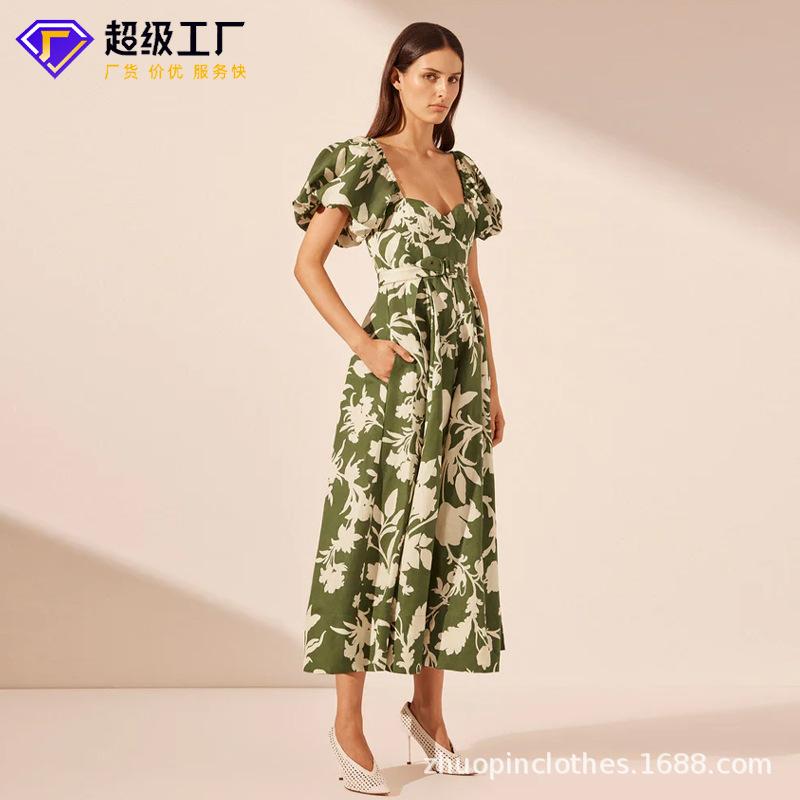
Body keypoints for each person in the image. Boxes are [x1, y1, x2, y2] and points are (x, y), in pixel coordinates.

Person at [291, 21, 507, 794]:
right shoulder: (362, 162)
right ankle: (347, 722)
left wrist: (493, 386)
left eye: (453, 78)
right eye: (428, 77)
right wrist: (366, 345)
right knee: (368, 528)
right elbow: (308, 264)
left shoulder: (463, 170)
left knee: (448, 530)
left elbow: (472, 285)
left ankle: (428, 712)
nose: (442, 91)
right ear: (397, 78)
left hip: (460, 379)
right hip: (394, 376)